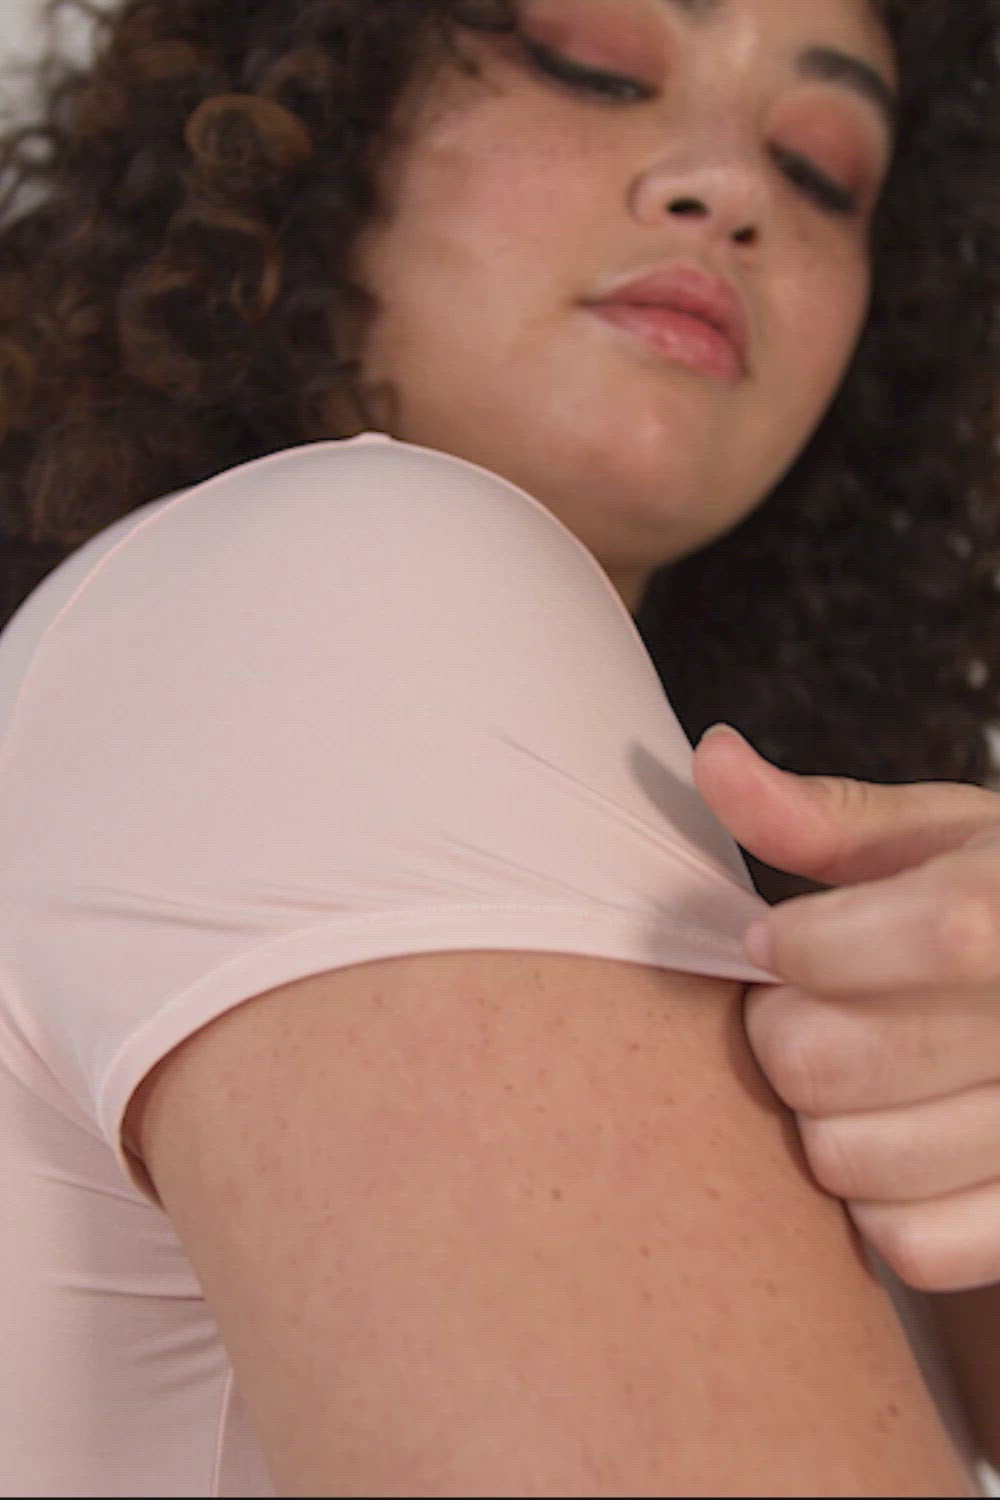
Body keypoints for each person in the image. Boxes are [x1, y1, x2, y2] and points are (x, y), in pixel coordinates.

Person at [0, 0, 997, 1493]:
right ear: (315, 121)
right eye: (590, 64)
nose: (730, 187)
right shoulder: (345, 580)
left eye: (820, 169)